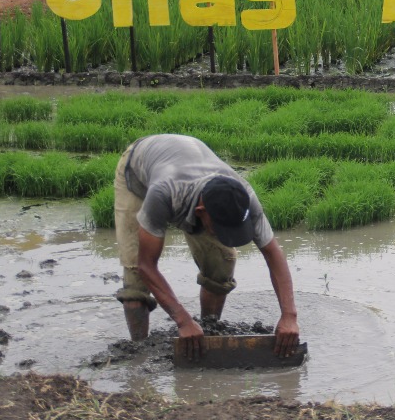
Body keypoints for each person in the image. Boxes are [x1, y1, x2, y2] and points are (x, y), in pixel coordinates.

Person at [113, 134, 300, 360]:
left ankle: (206, 334)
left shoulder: (243, 196)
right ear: (201, 213)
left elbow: (274, 254)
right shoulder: (163, 193)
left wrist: (289, 316)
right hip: (138, 173)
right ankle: (138, 356)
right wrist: (182, 320)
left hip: (189, 167)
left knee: (222, 262)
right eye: (221, 228)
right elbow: (146, 265)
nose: (226, 235)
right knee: (135, 280)